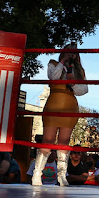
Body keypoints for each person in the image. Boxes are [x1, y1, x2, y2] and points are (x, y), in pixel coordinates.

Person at [33, 44, 87, 186]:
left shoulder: (79, 70)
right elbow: (53, 77)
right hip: (54, 103)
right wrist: (63, 61)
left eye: (74, 53)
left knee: (64, 140)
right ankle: (37, 173)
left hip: (70, 106)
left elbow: (84, 90)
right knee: (48, 139)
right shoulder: (53, 63)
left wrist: (73, 83)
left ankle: (62, 175)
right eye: (69, 52)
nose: (71, 55)